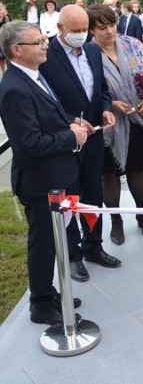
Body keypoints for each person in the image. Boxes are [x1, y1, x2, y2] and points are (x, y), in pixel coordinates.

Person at [0, 21, 89, 324]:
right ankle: (40, 303)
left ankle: (52, 294)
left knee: (56, 242)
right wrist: (71, 137)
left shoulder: (33, 76)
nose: (45, 45)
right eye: (37, 42)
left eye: (43, 40)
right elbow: (28, 144)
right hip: (41, 183)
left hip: (57, 177)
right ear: (16, 50)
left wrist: (73, 124)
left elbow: (50, 113)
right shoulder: (14, 88)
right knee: (44, 246)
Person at [41, 4, 120, 281]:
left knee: (93, 195)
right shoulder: (45, 55)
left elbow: (101, 91)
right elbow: (43, 100)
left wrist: (106, 107)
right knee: (69, 198)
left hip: (95, 137)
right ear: (60, 28)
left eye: (85, 30)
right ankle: (73, 255)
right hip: (65, 140)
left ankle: (93, 246)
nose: (81, 35)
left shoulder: (93, 50)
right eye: (75, 31)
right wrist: (71, 119)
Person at [87, 5, 143, 245]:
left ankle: (142, 215)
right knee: (108, 175)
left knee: (138, 170)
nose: (109, 31)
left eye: (112, 25)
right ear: (91, 29)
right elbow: (86, 90)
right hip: (108, 123)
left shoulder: (133, 45)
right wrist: (109, 104)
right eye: (102, 27)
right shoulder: (87, 54)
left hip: (139, 118)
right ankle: (116, 221)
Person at [0, 3, 10, 75]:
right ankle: (3, 72)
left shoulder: (7, 14)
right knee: (0, 58)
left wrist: (6, 17)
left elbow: (9, 24)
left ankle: (9, 71)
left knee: (7, 55)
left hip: (6, 35)